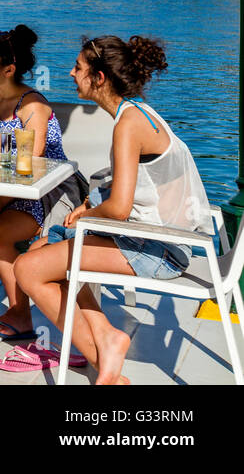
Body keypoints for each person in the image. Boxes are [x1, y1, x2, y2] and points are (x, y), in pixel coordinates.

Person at [12, 36, 210, 384]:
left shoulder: (128, 124)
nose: (70, 73)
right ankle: (106, 334)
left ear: (99, 77)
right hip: (161, 238)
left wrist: (85, 215)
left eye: (78, 67)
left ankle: (104, 360)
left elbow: (119, 209)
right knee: (42, 249)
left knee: (27, 269)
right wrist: (91, 207)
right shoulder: (138, 114)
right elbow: (144, 190)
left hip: (159, 249)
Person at [0, 25, 69, 338]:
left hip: (46, 191)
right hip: (2, 184)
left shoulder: (33, 106)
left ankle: (19, 312)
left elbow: (31, 168)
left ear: (9, 69)